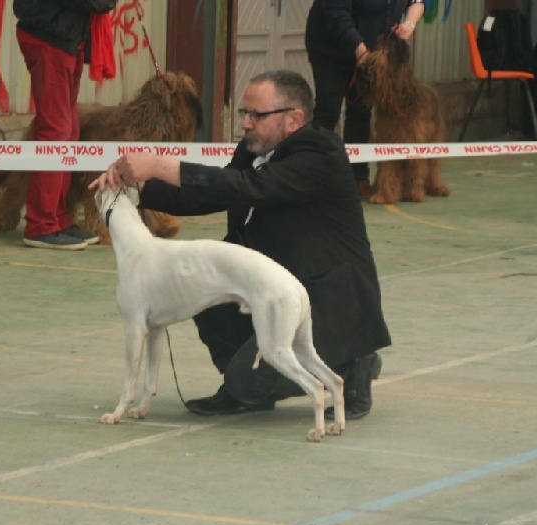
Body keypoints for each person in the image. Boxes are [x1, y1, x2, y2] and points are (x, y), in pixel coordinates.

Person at [91, 69, 391, 420]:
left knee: (253, 383)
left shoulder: (321, 152)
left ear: (294, 118)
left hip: (326, 299)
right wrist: (138, 189)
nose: (246, 123)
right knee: (200, 287)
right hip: (264, 288)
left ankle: (354, 362)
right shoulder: (253, 150)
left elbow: (248, 188)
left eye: (256, 115)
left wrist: (159, 165)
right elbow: (209, 197)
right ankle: (240, 383)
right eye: (243, 114)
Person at [14, 0, 116, 250]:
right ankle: (41, 225)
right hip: (49, 37)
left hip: (66, 37)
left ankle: (58, 219)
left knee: (68, 130)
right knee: (55, 131)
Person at [305, 0, 425, 197]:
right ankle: (317, 178)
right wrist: (360, 50)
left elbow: (417, 2)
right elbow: (337, 15)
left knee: (361, 112)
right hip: (330, 48)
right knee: (328, 113)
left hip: (371, 50)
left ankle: (357, 178)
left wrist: (409, 24)